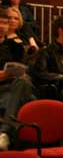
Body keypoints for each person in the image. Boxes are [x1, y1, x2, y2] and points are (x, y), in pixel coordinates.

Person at [0, 9, 34, 143]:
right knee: (26, 98)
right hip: (3, 88)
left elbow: (22, 69)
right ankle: (6, 135)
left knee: (23, 81)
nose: (2, 26)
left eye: (5, 23)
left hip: (14, 85)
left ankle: (4, 134)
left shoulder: (16, 47)